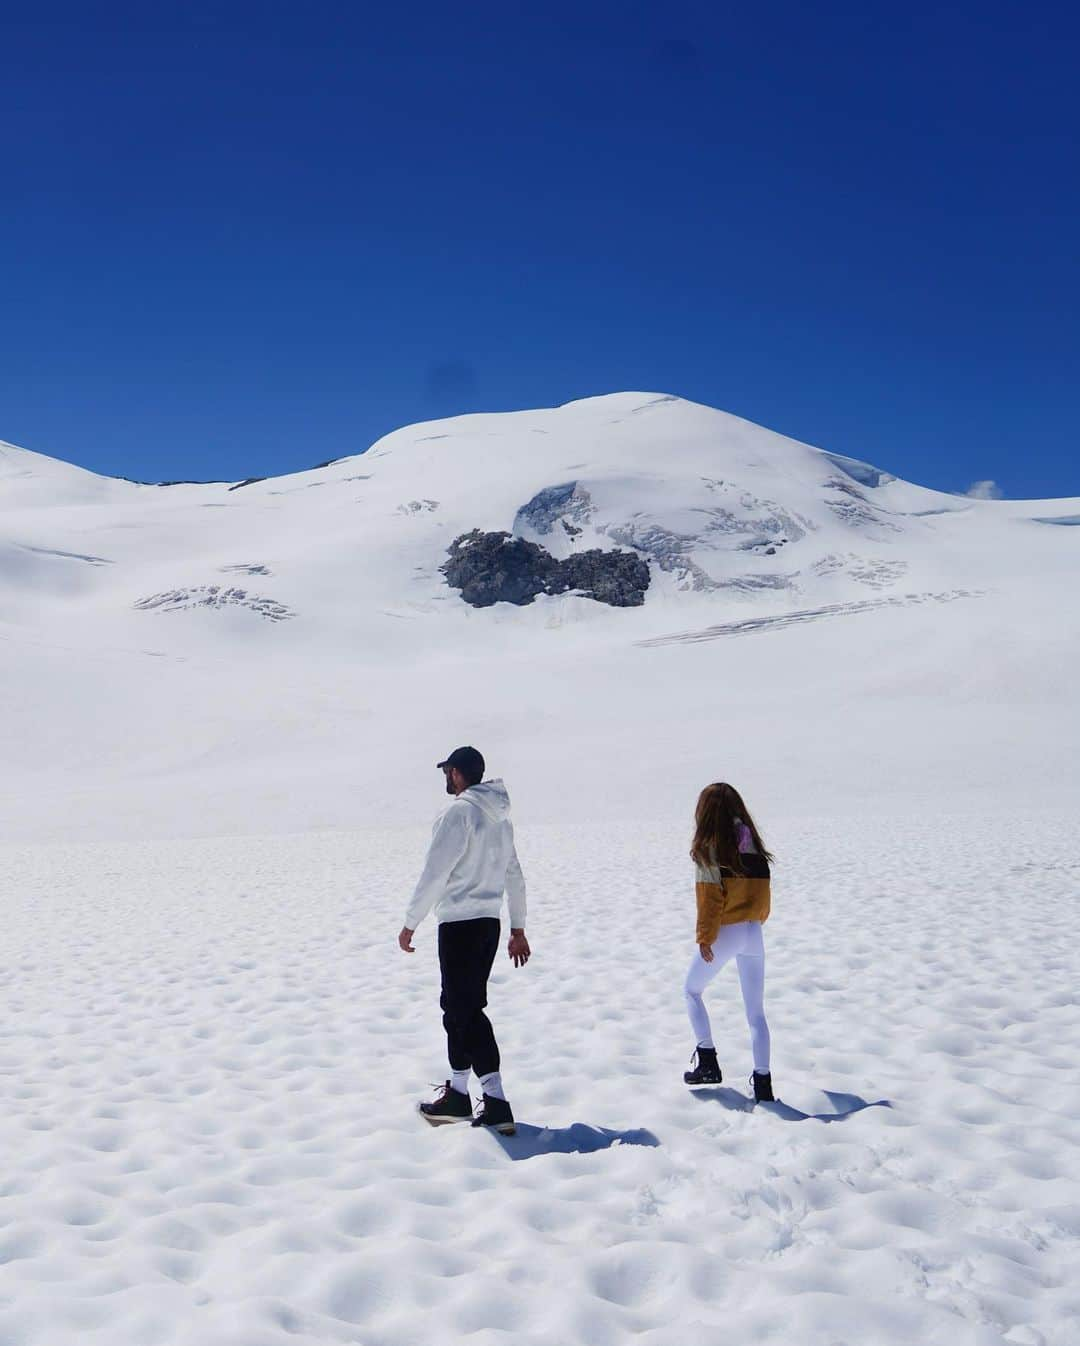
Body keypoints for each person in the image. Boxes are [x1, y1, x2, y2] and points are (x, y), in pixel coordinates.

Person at [399, 746, 530, 1134]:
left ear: (457, 773)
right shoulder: (500, 818)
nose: (445, 778)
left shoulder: (459, 813)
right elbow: (514, 874)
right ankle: (457, 1094)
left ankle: (496, 1100)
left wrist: (411, 922)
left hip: (458, 924)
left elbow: (435, 872)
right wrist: (517, 928)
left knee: (466, 1010)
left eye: (447, 771)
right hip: (487, 925)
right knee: (457, 1007)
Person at [682, 782, 775, 1102]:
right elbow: (763, 896)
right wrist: (755, 922)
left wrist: (705, 938)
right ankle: (763, 1084)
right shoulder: (751, 842)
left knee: (691, 990)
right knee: (756, 1014)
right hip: (753, 930)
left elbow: (709, 900)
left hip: (727, 930)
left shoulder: (711, 846)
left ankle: (707, 1060)